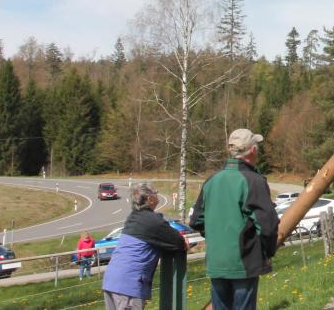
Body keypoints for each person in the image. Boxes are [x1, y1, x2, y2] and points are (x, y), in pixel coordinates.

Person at [190, 128, 278, 310]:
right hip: (243, 261)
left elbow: (196, 220)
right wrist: (268, 253)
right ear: (253, 150)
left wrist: (218, 238)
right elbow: (267, 225)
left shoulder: (212, 180)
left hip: (216, 261)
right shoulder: (254, 181)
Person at [102, 183, 188, 310]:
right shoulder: (153, 221)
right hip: (128, 286)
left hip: (111, 281)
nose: (157, 194)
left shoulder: (133, 217)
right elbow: (179, 242)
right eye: (155, 192)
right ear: (150, 199)